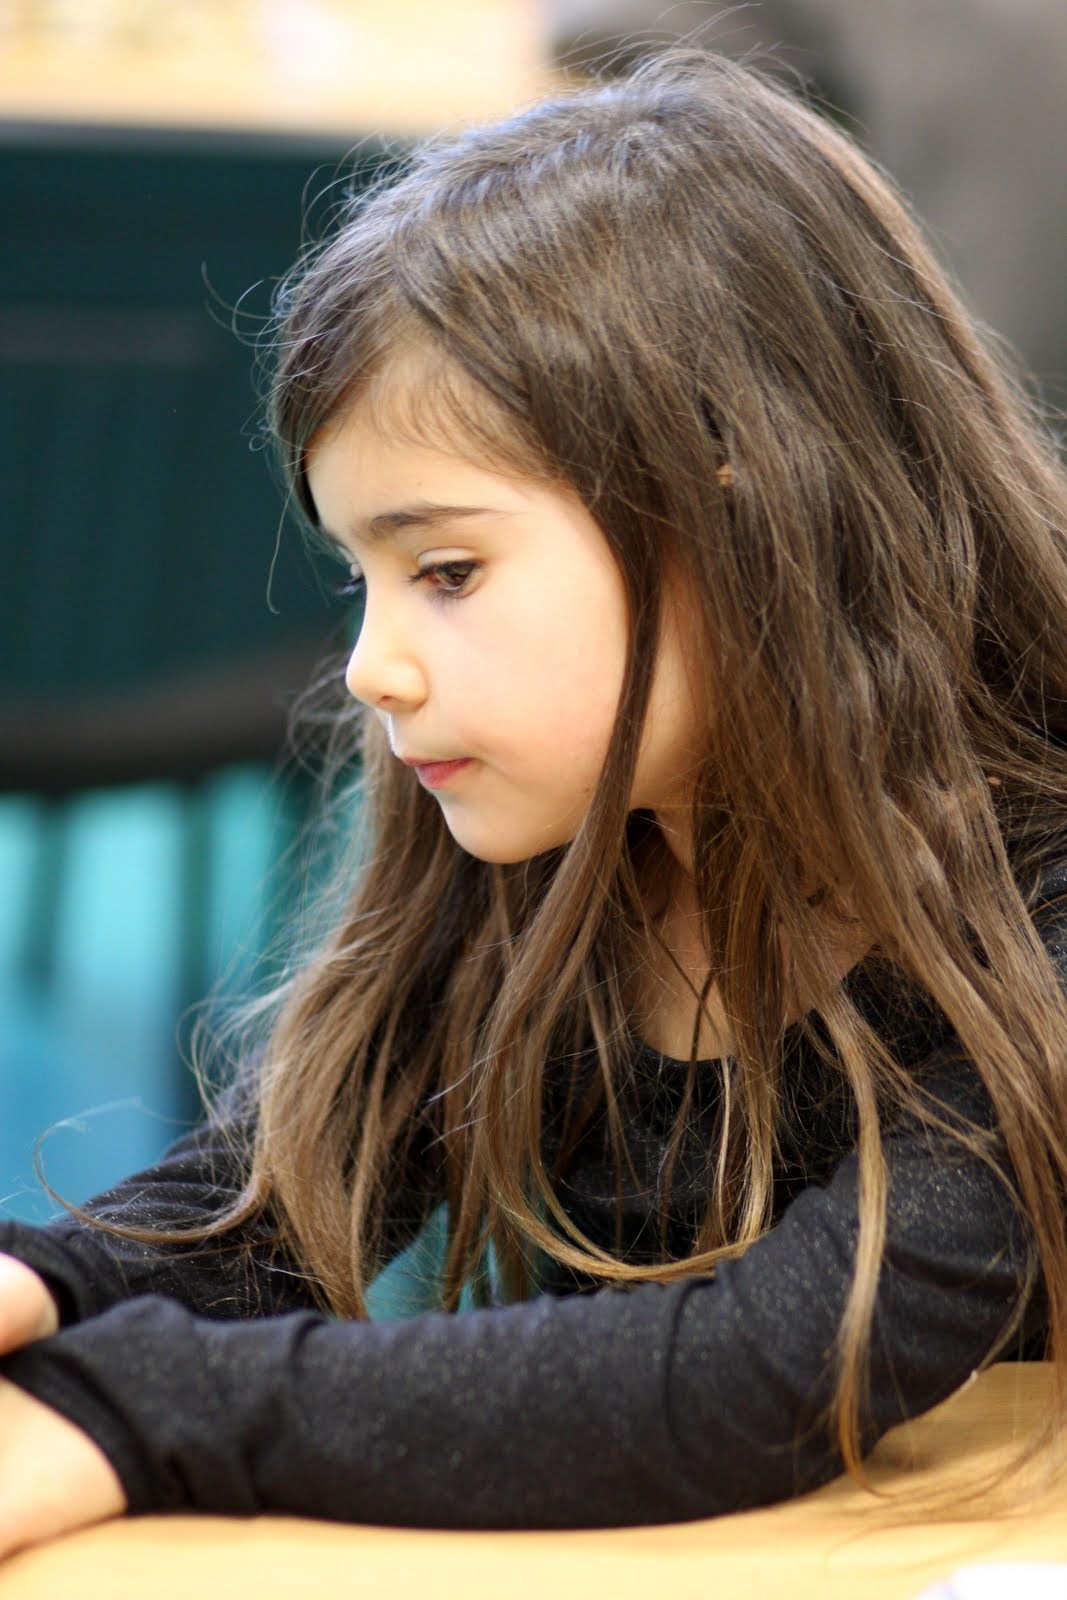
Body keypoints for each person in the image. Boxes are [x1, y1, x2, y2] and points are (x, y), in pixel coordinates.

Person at [3, 42, 1067, 1556]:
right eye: (361, 579)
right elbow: (283, 1211)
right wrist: (50, 1283)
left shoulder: (1037, 897)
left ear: (729, 519)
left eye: (446, 572)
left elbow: (768, 1374)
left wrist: (131, 1409)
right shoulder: (550, 842)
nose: (370, 668)